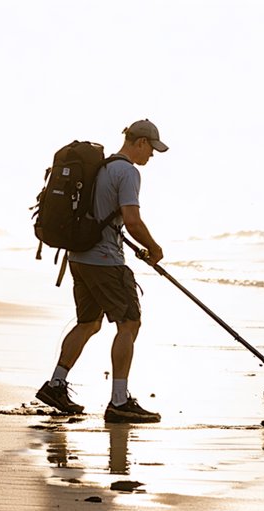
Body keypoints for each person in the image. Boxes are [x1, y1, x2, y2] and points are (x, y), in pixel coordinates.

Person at [36, 119, 169, 423]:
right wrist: (155, 248)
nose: (151, 157)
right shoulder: (127, 172)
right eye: (151, 149)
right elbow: (132, 221)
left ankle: (55, 385)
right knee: (129, 324)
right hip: (105, 260)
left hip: (79, 257)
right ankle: (119, 402)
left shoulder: (102, 168)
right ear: (140, 143)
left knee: (88, 323)